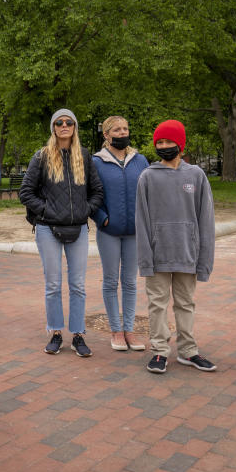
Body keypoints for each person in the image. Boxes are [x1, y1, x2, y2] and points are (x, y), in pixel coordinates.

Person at [19, 109, 103, 357]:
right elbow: (26, 192)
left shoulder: (85, 157)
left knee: (77, 285)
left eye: (69, 122)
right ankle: (56, 332)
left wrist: (84, 210)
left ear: (75, 127)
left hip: (78, 228)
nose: (64, 125)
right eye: (59, 122)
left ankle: (78, 334)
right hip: (48, 229)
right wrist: (47, 210)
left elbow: (97, 191)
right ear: (53, 127)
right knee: (53, 284)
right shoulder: (42, 156)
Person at [135, 119, 217, 375]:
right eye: (160, 142)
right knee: (157, 304)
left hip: (187, 253)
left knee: (185, 303)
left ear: (180, 144)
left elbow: (206, 220)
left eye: (169, 141)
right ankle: (159, 351)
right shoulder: (147, 176)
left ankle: (188, 351)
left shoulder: (196, 175)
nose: (165, 146)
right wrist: (145, 260)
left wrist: (203, 262)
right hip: (158, 255)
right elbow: (142, 220)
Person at [91, 116, 150, 352]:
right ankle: (115, 331)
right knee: (110, 280)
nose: (122, 132)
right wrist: (102, 218)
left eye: (125, 128)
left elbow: (148, 193)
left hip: (134, 232)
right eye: (116, 129)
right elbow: (90, 194)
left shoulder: (141, 161)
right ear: (106, 135)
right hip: (109, 231)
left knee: (130, 282)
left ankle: (130, 331)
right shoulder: (96, 162)